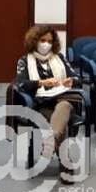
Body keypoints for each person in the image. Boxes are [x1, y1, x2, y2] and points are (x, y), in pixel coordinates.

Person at [13, 25, 81, 182]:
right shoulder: (25, 61)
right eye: (43, 40)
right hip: (40, 105)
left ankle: (50, 142)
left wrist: (70, 81)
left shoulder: (60, 58)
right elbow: (21, 84)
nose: (46, 44)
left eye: (50, 41)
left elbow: (77, 78)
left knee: (64, 107)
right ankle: (65, 165)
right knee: (60, 122)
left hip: (62, 101)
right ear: (34, 41)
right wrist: (42, 83)